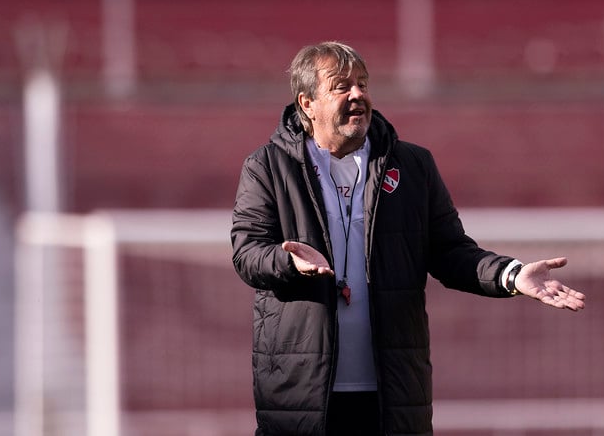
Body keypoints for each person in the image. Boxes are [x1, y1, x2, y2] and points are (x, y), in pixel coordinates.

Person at [231, 41, 585, 436]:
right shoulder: (267, 166)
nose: (358, 95)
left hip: (393, 397)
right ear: (307, 103)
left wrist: (511, 275)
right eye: (341, 86)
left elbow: (450, 252)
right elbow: (247, 251)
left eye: (363, 84)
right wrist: (287, 263)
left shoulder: (413, 165)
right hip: (299, 399)